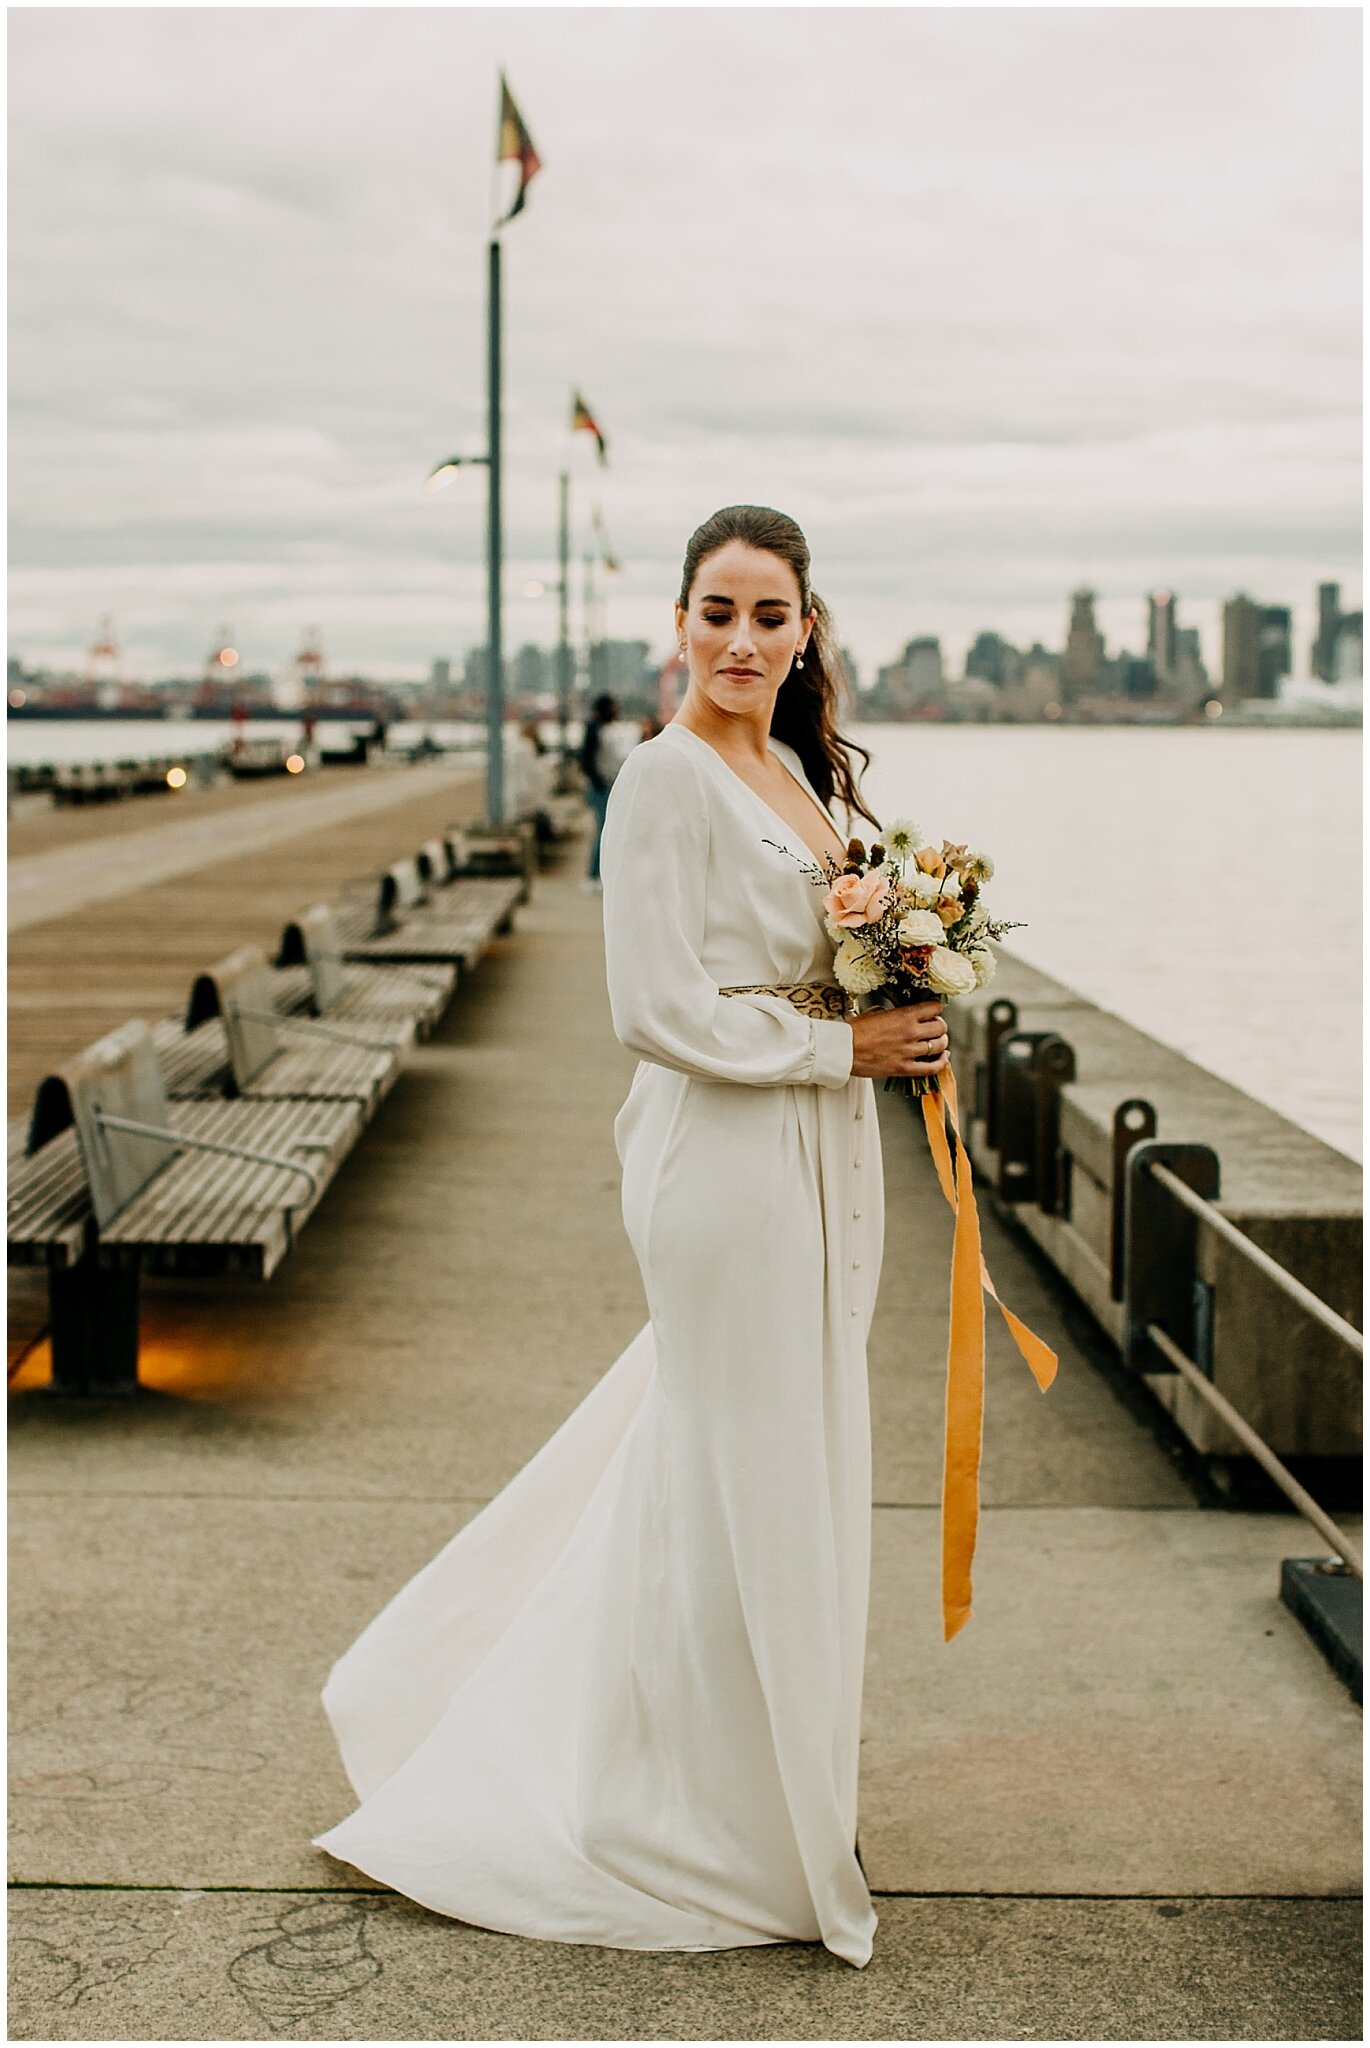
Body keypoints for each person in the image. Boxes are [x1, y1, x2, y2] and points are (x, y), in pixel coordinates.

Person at [310, 503, 949, 1970]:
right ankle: (708, 1823)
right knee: (747, 1471)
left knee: (773, 1469)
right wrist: (837, 1053)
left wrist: (896, 990)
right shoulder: (661, 781)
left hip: (822, 1152)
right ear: (676, 624)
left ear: (806, 631)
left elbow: (810, 959)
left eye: (768, 615)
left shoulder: (795, 768)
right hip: (726, 1163)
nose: (740, 641)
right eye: (714, 612)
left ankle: (775, 1788)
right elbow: (649, 1008)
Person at [578, 691, 621, 890]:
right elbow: (586, 760)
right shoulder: (594, 729)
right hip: (601, 788)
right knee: (603, 831)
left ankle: (597, 874)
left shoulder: (598, 728)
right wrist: (600, 781)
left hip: (603, 785)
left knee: (605, 830)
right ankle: (594, 875)